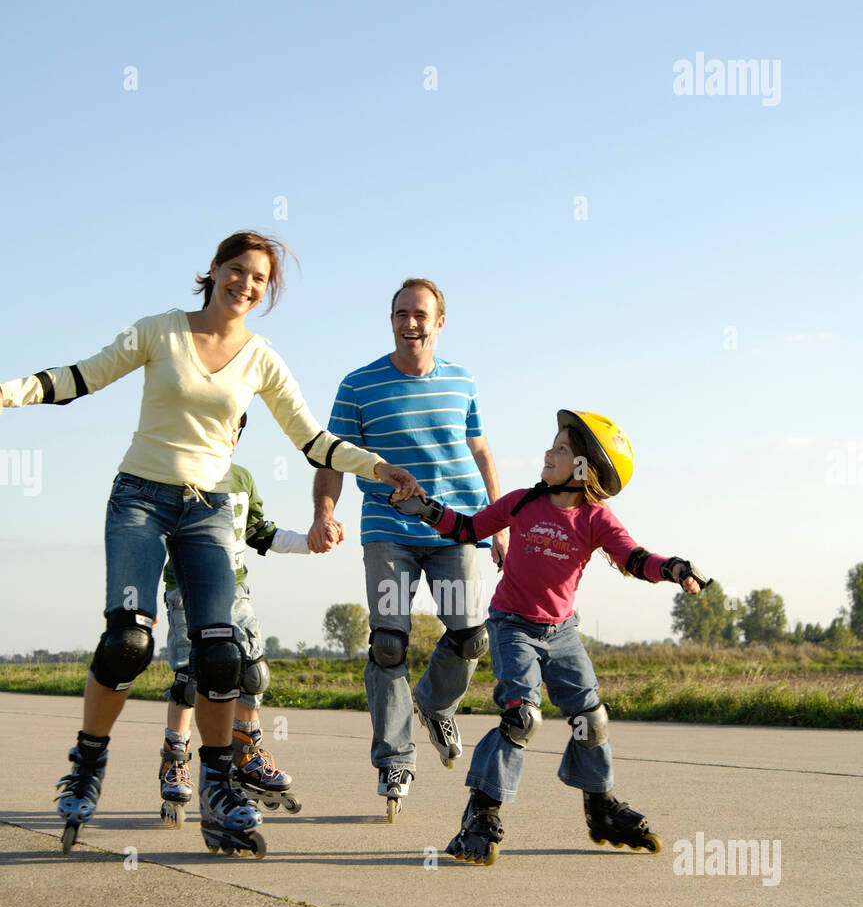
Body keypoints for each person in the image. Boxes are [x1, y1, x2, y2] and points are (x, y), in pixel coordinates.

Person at [0, 231, 419, 858]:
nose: (245, 284)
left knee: (222, 655)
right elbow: (81, 378)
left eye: (259, 279)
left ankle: (220, 788)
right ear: (215, 270)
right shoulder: (159, 330)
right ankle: (87, 764)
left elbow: (312, 439)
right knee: (127, 641)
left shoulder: (261, 358)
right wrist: (10, 392)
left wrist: (375, 466)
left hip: (211, 508)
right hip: (140, 497)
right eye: (237, 269)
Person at [392, 408, 711, 863]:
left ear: (584, 468)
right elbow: (468, 528)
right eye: (553, 444)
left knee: (590, 717)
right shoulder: (523, 502)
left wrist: (674, 569)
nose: (549, 452)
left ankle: (599, 806)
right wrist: (425, 509)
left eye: (562, 449)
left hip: (561, 633)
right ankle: (481, 813)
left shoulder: (597, 519)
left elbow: (634, 559)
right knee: (522, 716)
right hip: (512, 625)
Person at [309, 277, 506, 818]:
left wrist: (498, 524)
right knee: (388, 644)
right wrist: (325, 513)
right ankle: (396, 756)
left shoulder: (462, 381)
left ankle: (435, 702)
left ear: (439, 322)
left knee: (470, 639)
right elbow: (331, 458)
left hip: (456, 529)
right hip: (388, 531)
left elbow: (481, 451)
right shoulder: (358, 384)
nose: (410, 323)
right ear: (391, 320)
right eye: (400, 314)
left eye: (420, 314)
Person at [159, 456, 310, 826]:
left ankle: (246, 751)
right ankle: (175, 759)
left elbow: (259, 531)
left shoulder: (242, 476)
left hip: (235, 587)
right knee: (192, 679)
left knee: (253, 674)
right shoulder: (174, 470)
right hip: (187, 589)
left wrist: (309, 542)